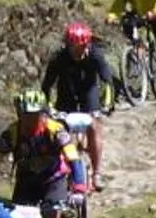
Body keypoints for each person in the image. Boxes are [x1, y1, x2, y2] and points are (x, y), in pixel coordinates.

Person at [0, 91, 79, 218]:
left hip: (54, 180)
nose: (31, 119)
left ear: (43, 113)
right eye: (26, 114)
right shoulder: (12, 133)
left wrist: (79, 187)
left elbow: (73, 158)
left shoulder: (55, 130)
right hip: (26, 182)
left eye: (36, 114)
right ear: (19, 114)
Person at [39, 20, 115, 191]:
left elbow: (108, 82)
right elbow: (46, 86)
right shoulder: (59, 58)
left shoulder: (96, 56)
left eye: (77, 46)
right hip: (66, 97)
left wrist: (107, 104)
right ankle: (64, 172)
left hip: (89, 95)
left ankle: (97, 173)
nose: (74, 50)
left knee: (95, 126)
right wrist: (49, 107)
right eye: (70, 46)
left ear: (86, 44)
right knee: (63, 134)